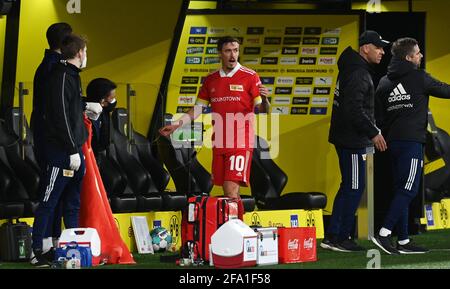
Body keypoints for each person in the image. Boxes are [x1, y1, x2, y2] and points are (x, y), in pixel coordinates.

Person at [159, 36, 269, 201]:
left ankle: (231, 226)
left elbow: (262, 109)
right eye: (228, 51)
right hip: (219, 142)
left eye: (235, 50)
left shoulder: (250, 76)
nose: (233, 55)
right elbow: (197, 109)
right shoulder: (211, 80)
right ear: (220, 53)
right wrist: (176, 125)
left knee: (230, 189)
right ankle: (240, 224)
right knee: (232, 193)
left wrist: (266, 99)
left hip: (240, 142)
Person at [372, 37, 450, 254]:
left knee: (402, 189)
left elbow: (379, 116)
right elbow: (446, 91)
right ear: (408, 57)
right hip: (411, 142)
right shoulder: (419, 77)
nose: (421, 56)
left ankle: (404, 240)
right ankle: (384, 233)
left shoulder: (384, 82)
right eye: (417, 53)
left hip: (393, 142)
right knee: (408, 189)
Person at [31, 34, 102, 267]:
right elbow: (60, 115)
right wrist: (72, 149)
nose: (86, 56)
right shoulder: (60, 76)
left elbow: (69, 108)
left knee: (72, 203)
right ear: (79, 53)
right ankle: (36, 251)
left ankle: (72, 247)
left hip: (74, 151)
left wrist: (85, 107)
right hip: (61, 152)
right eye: (85, 52)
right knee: (49, 201)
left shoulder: (72, 77)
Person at [322, 30, 389, 252]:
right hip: (352, 140)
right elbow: (353, 110)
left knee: (350, 186)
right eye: (378, 47)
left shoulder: (353, 68)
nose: (382, 51)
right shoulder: (358, 72)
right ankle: (339, 238)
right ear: (365, 48)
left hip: (349, 138)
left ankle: (334, 235)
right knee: (353, 187)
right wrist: (373, 132)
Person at [30, 22, 72, 264]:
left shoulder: (56, 67)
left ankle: (51, 246)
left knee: (56, 195)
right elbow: (55, 109)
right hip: (51, 142)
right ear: (65, 43)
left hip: (54, 141)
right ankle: (38, 250)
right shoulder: (52, 68)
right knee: (49, 196)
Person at [84, 78, 117, 157]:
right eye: (111, 98)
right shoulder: (84, 112)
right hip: (88, 153)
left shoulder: (105, 108)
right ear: (102, 100)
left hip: (100, 151)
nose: (113, 100)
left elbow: (112, 105)